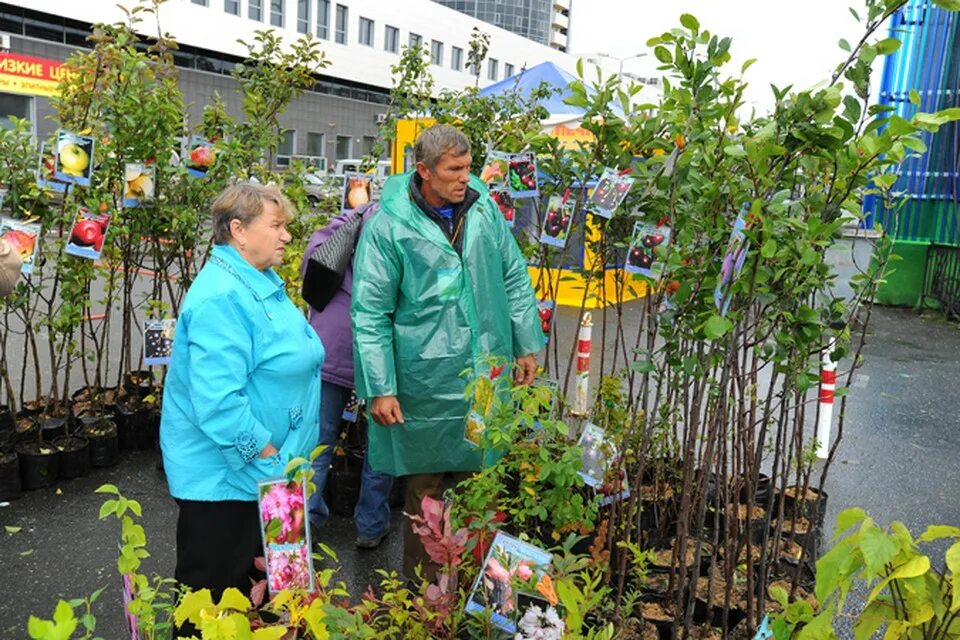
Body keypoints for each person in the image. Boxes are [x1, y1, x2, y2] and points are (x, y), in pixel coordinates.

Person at [351, 124, 544, 581]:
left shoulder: (482, 209)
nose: (464, 178)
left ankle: (477, 594)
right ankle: (424, 603)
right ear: (423, 170)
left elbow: (513, 276)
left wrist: (527, 344)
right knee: (427, 493)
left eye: (468, 167)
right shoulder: (389, 225)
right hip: (423, 380)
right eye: (453, 169)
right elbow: (370, 311)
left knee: (482, 484)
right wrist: (380, 387)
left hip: (484, 368)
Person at [160, 183, 323, 634]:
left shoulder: (258, 279)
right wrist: (268, 458)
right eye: (276, 226)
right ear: (239, 230)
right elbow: (218, 402)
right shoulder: (221, 297)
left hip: (278, 474)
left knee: (280, 597)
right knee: (214, 607)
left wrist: (282, 469)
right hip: (232, 483)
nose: (286, 236)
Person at [302, 204, 394, 549]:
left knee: (318, 440)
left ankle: (307, 518)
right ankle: (371, 524)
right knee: (383, 443)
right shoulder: (406, 227)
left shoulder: (351, 220)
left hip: (331, 344)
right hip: (383, 352)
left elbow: (312, 264)